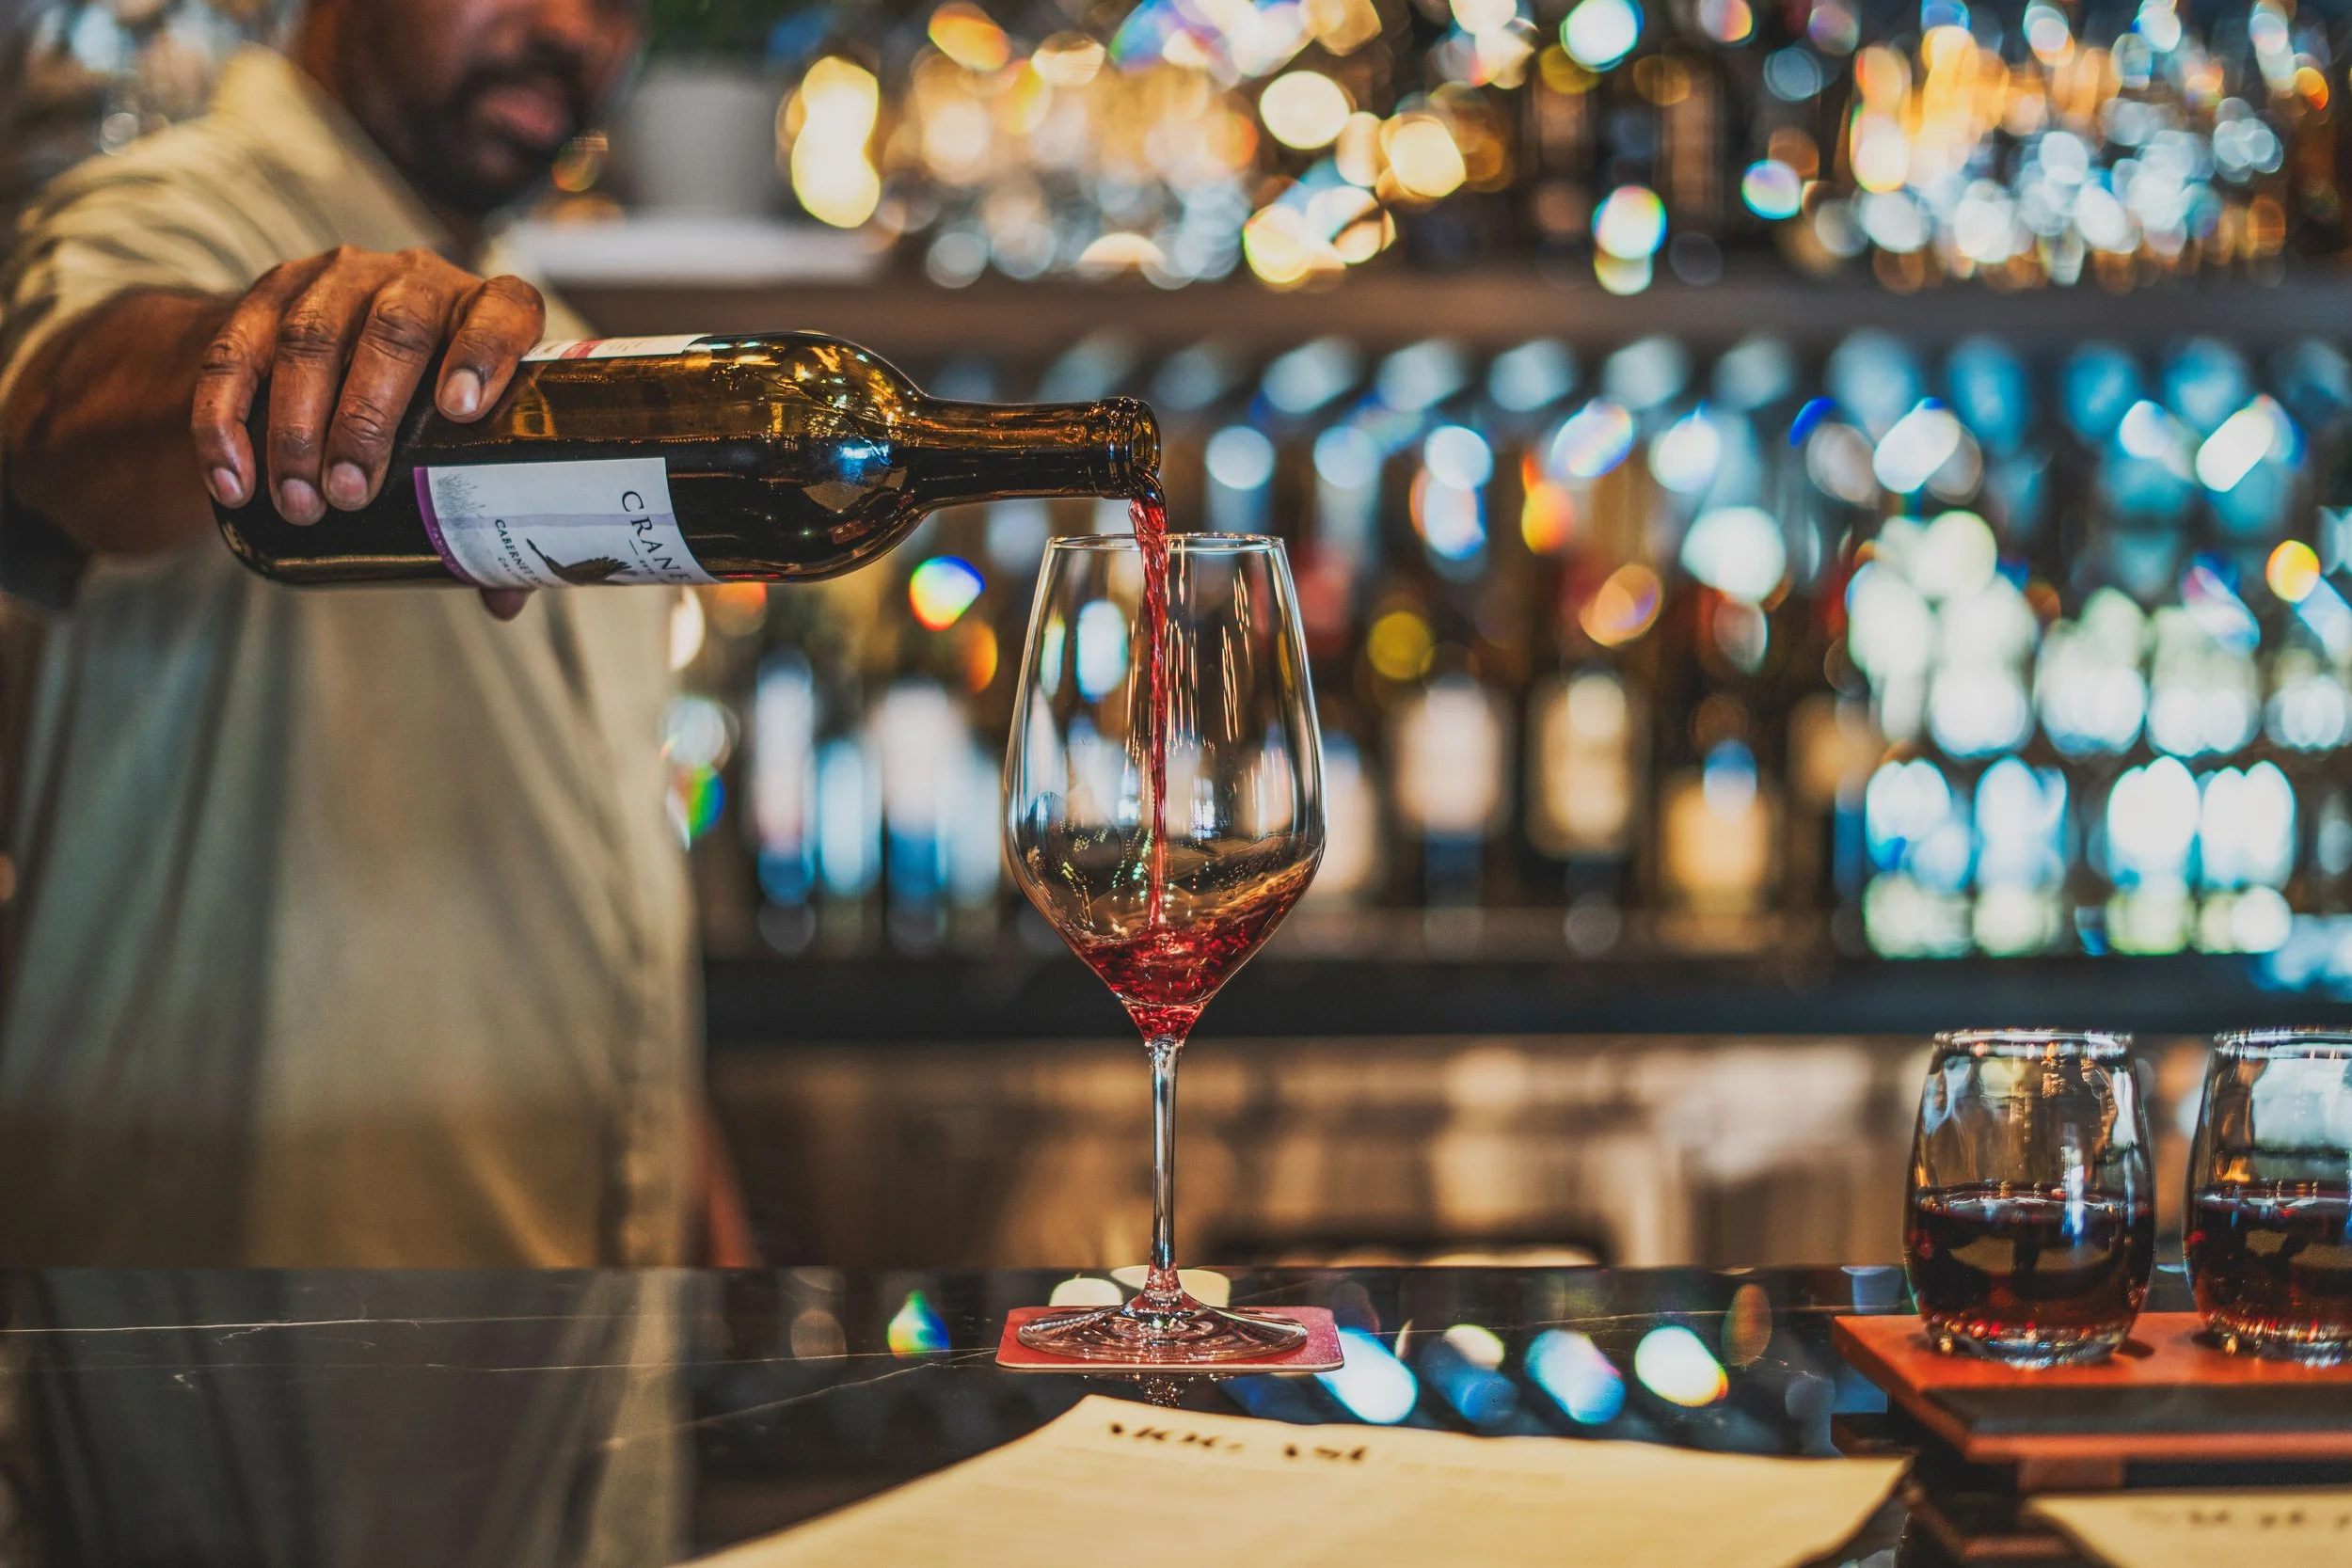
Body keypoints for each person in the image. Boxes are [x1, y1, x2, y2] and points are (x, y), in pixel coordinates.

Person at [0, 0, 741, 1266]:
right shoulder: (179, 203)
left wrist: (690, 1193)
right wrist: (263, 351)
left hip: (582, 1343)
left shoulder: (548, 328)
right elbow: (60, 415)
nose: (572, 29)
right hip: (230, 1354)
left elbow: (594, 872)